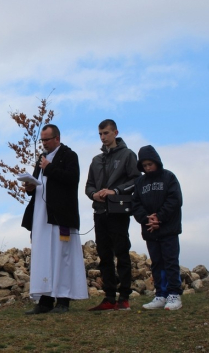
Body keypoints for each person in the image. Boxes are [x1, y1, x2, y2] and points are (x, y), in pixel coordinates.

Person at [22, 124, 88, 314]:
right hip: (41, 215)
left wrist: (49, 168)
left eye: (46, 140)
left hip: (61, 215)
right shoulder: (41, 159)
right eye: (42, 140)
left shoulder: (69, 155)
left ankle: (63, 300)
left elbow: (72, 179)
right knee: (44, 255)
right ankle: (45, 299)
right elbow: (38, 182)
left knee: (62, 255)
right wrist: (30, 187)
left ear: (57, 138)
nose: (43, 143)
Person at [85, 119, 141, 311]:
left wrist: (115, 192)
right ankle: (109, 297)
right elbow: (88, 186)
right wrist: (94, 194)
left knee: (122, 252)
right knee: (104, 255)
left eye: (106, 133)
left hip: (118, 211)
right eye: (100, 134)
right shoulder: (96, 160)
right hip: (99, 212)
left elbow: (136, 180)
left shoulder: (128, 155)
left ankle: (124, 297)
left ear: (115, 132)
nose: (103, 137)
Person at [132, 145, 183, 310]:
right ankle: (160, 295)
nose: (148, 168)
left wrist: (159, 218)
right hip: (150, 231)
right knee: (156, 263)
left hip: (168, 229)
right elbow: (136, 204)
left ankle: (174, 294)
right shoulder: (140, 182)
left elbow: (175, 200)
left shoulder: (169, 177)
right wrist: (147, 219)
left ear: (157, 162)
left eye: (150, 164)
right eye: (144, 166)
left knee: (170, 261)